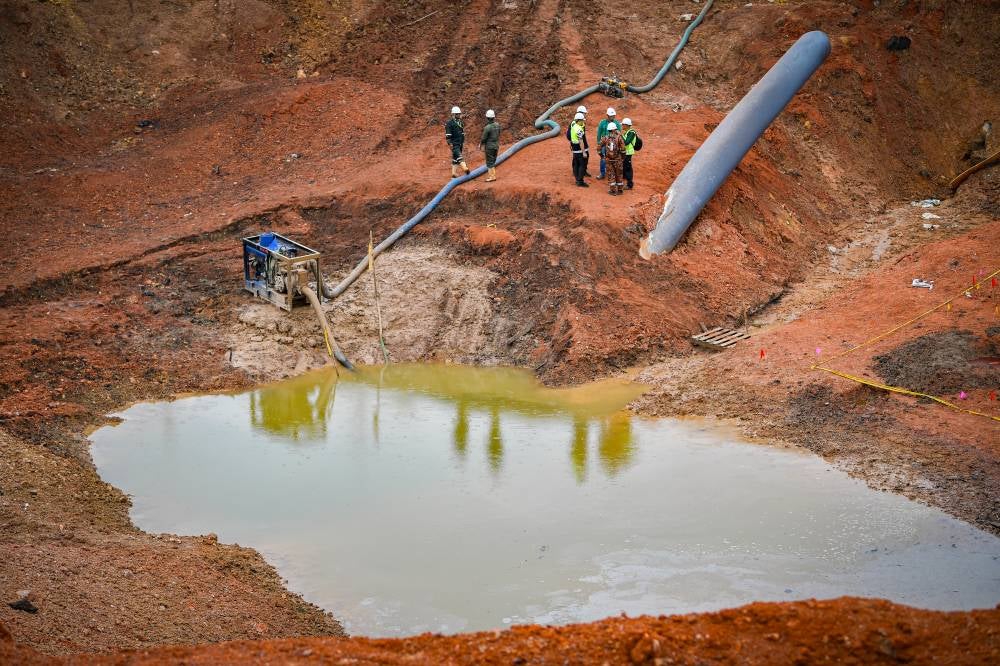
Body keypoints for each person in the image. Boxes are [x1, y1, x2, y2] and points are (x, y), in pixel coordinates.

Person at [598, 122, 625, 195]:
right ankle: (620, 190)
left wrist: (602, 156)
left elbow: (599, 147)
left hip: (609, 160)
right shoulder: (619, 138)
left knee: (611, 175)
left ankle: (613, 191)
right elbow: (623, 149)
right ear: (614, 130)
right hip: (618, 160)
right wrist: (622, 158)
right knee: (619, 174)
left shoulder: (605, 138)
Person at [444, 106, 470, 178]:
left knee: (455, 158)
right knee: (459, 156)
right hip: (454, 143)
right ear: (454, 114)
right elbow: (448, 135)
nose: (459, 115)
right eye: (457, 114)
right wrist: (450, 144)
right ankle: (465, 168)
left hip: (460, 143)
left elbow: (461, 131)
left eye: (459, 114)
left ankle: (454, 173)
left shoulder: (460, 122)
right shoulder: (449, 123)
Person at [596, 107, 618, 180]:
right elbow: (599, 133)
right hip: (604, 144)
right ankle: (602, 173)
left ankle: (614, 174)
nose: (613, 117)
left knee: (614, 158)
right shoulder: (602, 123)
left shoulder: (616, 123)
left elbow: (619, 134)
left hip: (613, 144)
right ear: (607, 115)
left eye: (613, 116)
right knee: (603, 158)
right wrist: (599, 143)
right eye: (611, 116)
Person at [479, 109, 500, 182]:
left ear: (487, 118)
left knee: (489, 162)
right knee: (493, 160)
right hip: (496, 145)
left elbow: (483, 138)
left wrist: (481, 145)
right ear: (494, 117)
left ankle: (492, 177)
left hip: (489, 147)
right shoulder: (497, 125)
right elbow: (499, 134)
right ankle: (492, 175)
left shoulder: (487, 127)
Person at [570, 111, 589, 187]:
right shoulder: (579, 129)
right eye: (582, 120)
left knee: (576, 164)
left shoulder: (573, 126)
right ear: (579, 120)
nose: (583, 122)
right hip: (579, 149)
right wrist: (584, 152)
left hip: (574, 148)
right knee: (582, 164)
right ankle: (580, 181)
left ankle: (577, 179)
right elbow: (581, 141)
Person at [576, 105, 593, 177]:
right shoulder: (575, 123)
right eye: (584, 113)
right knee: (578, 158)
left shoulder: (581, 121)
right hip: (578, 143)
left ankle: (583, 171)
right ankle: (578, 173)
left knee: (585, 156)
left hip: (582, 141)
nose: (585, 114)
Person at [621, 117, 637, 189]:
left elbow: (626, 142)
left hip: (628, 153)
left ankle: (629, 184)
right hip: (625, 153)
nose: (622, 126)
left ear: (627, 125)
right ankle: (625, 179)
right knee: (625, 166)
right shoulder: (627, 132)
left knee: (628, 168)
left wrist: (621, 135)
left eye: (623, 125)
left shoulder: (631, 132)